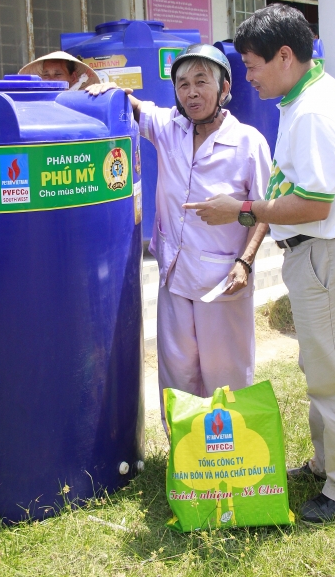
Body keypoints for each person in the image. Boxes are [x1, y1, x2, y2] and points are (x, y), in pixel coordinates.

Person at [184, 5, 335, 525]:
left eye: (251, 65)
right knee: (320, 365)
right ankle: (326, 463)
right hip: (324, 253)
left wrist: (241, 210)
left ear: (285, 56)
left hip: (325, 254)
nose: (246, 77)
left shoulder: (312, 110)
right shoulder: (315, 90)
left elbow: (315, 205)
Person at [86, 44, 271, 426]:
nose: (191, 92)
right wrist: (108, 90)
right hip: (173, 276)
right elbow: (135, 108)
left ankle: (232, 456)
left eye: (201, 82)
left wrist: (245, 262)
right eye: (183, 84)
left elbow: (265, 210)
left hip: (223, 281)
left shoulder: (249, 142)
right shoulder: (170, 127)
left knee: (227, 374)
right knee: (178, 373)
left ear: (224, 88)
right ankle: (187, 457)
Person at [19, 51, 100, 89]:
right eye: (46, 75)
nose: (51, 80)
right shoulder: (36, 103)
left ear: (73, 77)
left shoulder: (82, 102)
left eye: (58, 74)